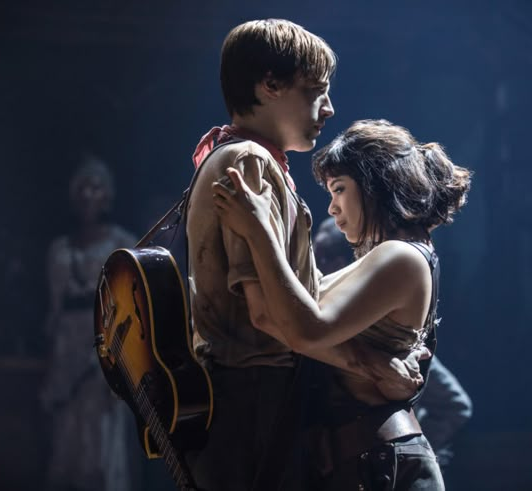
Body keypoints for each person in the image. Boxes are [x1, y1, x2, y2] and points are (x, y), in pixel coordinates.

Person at [185, 20, 425, 491]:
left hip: (248, 397)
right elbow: (268, 314)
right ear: (269, 86)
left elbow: (304, 291)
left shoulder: (242, 156)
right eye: (315, 91)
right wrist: (372, 365)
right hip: (255, 397)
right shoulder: (249, 163)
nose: (329, 108)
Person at [212, 119, 473, 490]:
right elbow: (275, 316)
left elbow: (305, 329)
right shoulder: (390, 256)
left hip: (384, 467)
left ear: (373, 186)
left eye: (339, 189)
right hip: (363, 465)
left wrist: (259, 229)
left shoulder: (401, 257)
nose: (332, 208)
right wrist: (370, 362)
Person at [313, 216, 473, 470]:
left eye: (326, 258)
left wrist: (412, 445)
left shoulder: (387, 334)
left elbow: (455, 404)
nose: (320, 266)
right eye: (317, 257)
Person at [39, 157, 137, 491]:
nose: (87, 194)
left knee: (102, 447)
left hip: (105, 350)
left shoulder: (121, 244)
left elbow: (129, 313)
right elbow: (54, 311)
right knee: (66, 442)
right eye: (82, 187)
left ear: (106, 195)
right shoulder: (59, 250)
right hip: (68, 348)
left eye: (95, 187)